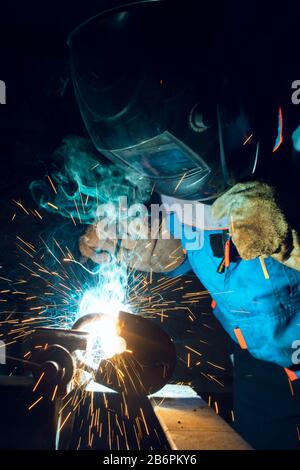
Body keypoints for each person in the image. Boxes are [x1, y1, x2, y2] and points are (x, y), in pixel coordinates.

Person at [68, 0, 300, 448]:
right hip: (263, 372)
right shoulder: (174, 166)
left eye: (163, 159)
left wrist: (288, 240)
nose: (160, 174)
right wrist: (167, 253)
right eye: (145, 164)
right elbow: (207, 244)